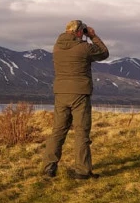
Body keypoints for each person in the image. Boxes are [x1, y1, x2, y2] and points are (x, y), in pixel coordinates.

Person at [43, 20, 109, 179]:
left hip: (60, 93)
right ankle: (82, 171)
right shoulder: (83, 48)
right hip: (80, 93)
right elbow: (103, 53)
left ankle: (48, 168)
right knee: (81, 132)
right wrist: (93, 36)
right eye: (83, 31)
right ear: (79, 31)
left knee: (58, 131)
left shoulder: (57, 47)